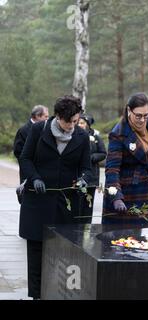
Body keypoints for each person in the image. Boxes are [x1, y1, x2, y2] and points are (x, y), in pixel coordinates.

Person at [19, 95, 90, 299]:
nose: (72, 126)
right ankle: (36, 295)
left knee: (65, 250)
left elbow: (86, 168)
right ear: (58, 117)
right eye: (68, 122)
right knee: (36, 251)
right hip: (38, 202)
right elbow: (25, 158)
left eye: (76, 121)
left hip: (65, 204)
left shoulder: (82, 137)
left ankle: (62, 292)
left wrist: (84, 179)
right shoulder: (37, 130)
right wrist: (34, 178)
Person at [102, 92, 148, 224]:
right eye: (138, 116)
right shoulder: (118, 134)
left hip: (145, 191)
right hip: (126, 195)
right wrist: (116, 197)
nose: (142, 120)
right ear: (129, 110)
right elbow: (112, 168)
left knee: (146, 239)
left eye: (146, 115)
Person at [77, 113, 107, 220]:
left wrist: (91, 157)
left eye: (82, 123)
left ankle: (86, 228)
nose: (79, 125)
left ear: (88, 125)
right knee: (77, 205)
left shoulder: (95, 137)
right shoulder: (74, 135)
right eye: (78, 122)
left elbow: (103, 153)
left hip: (91, 176)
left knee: (88, 204)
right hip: (77, 176)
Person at [13, 105, 49, 182]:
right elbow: (18, 151)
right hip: (28, 173)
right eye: (46, 116)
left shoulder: (45, 129)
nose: (47, 119)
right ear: (37, 116)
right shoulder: (23, 130)